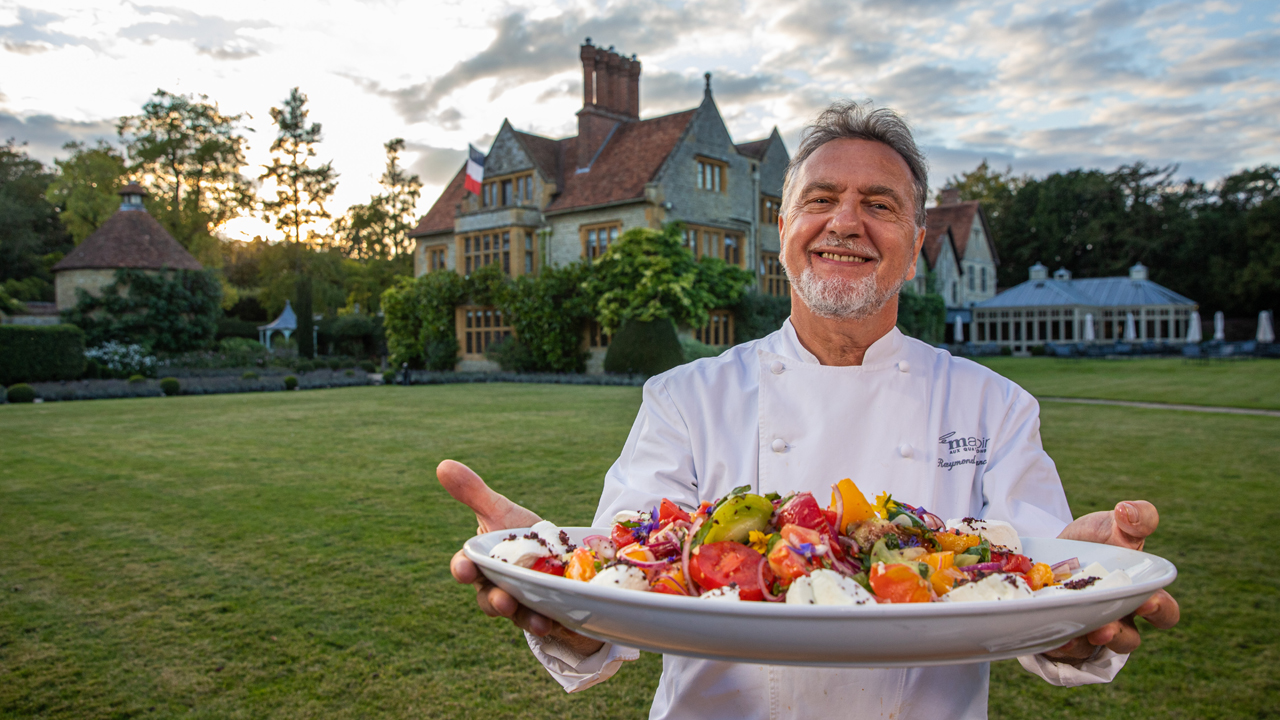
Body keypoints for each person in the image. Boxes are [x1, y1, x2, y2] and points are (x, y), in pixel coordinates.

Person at [443, 100, 1180, 719]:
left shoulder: (997, 406)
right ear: (785, 229)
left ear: (917, 246)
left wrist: (1085, 601)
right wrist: (549, 578)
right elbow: (623, 592)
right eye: (820, 200)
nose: (846, 222)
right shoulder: (683, 398)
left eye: (880, 205)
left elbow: (1035, 587)